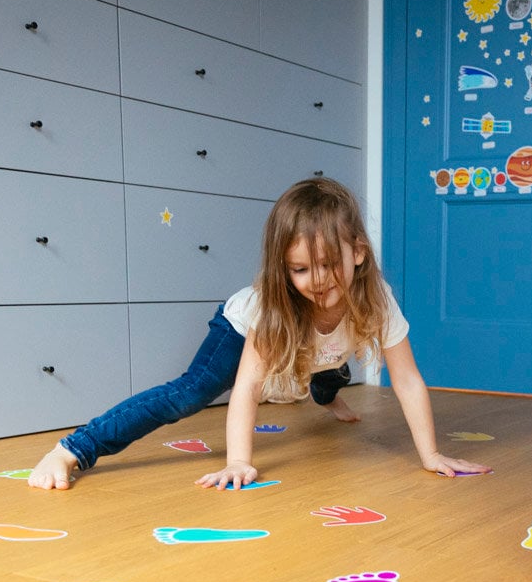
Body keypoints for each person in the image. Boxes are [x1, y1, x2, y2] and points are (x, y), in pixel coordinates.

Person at [29, 178, 488, 490]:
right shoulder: (275, 304)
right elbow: (248, 387)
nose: (318, 280)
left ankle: (326, 394)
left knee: (328, 362)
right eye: (301, 269)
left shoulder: (376, 299)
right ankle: (75, 448)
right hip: (242, 329)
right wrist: (238, 461)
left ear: (360, 254)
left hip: (321, 350)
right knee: (190, 394)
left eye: (330, 264)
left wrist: (430, 455)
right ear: (284, 269)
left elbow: (406, 379)